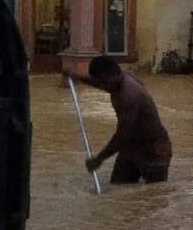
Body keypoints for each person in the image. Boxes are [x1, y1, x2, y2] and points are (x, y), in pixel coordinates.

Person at [64, 56, 173, 184]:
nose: (104, 87)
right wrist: (78, 77)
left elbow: (122, 135)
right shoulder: (118, 80)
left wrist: (99, 159)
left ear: (116, 74)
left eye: (105, 83)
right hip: (131, 146)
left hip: (153, 149)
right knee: (118, 188)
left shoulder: (129, 95)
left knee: (154, 194)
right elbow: (99, 83)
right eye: (101, 83)